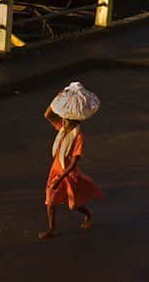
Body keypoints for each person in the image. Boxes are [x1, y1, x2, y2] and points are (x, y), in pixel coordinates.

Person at [39, 102, 103, 240]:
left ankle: (88, 214)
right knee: (50, 201)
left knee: (74, 204)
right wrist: (58, 98)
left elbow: (73, 163)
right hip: (55, 171)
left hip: (67, 174)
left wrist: (60, 179)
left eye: (67, 119)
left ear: (75, 121)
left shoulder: (78, 137)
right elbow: (47, 114)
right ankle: (52, 229)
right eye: (64, 118)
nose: (63, 120)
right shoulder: (62, 129)